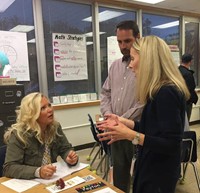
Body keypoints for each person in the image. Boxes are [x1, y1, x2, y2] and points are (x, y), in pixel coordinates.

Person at [98, 36, 190, 193]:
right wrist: (123, 121)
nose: (130, 65)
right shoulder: (157, 91)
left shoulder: (166, 93)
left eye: (133, 59)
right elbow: (152, 128)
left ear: (148, 61)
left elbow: (171, 144)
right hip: (150, 165)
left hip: (159, 173)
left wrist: (131, 135)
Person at [100, 20, 143, 192]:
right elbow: (105, 94)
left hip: (135, 132)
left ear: (138, 38)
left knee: (139, 179)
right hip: (115, 132)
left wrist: (121, 121)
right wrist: (109, 115)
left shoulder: (143, 66)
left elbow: (144, 102)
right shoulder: (114, 66)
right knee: (119, 178)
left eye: (127, 41)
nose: (123, 46)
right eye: (119, 41)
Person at [3, 92, 78, 180]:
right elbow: (9, 168)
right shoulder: (19, 135)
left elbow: (65, 149)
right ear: (32, 114)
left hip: (52, 179)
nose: (50, 110)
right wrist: (38, 172)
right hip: (29, 182)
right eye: (43, 108)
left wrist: (68, 156)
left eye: (49, 105)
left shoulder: (55, 127)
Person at [179, 53, 198, 121]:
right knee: (186, 121)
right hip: (187, 102)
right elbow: (190, 89)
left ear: (181, 60)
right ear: (190, 62)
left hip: (179, 100)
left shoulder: (176, 71)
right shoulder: (188, 74)